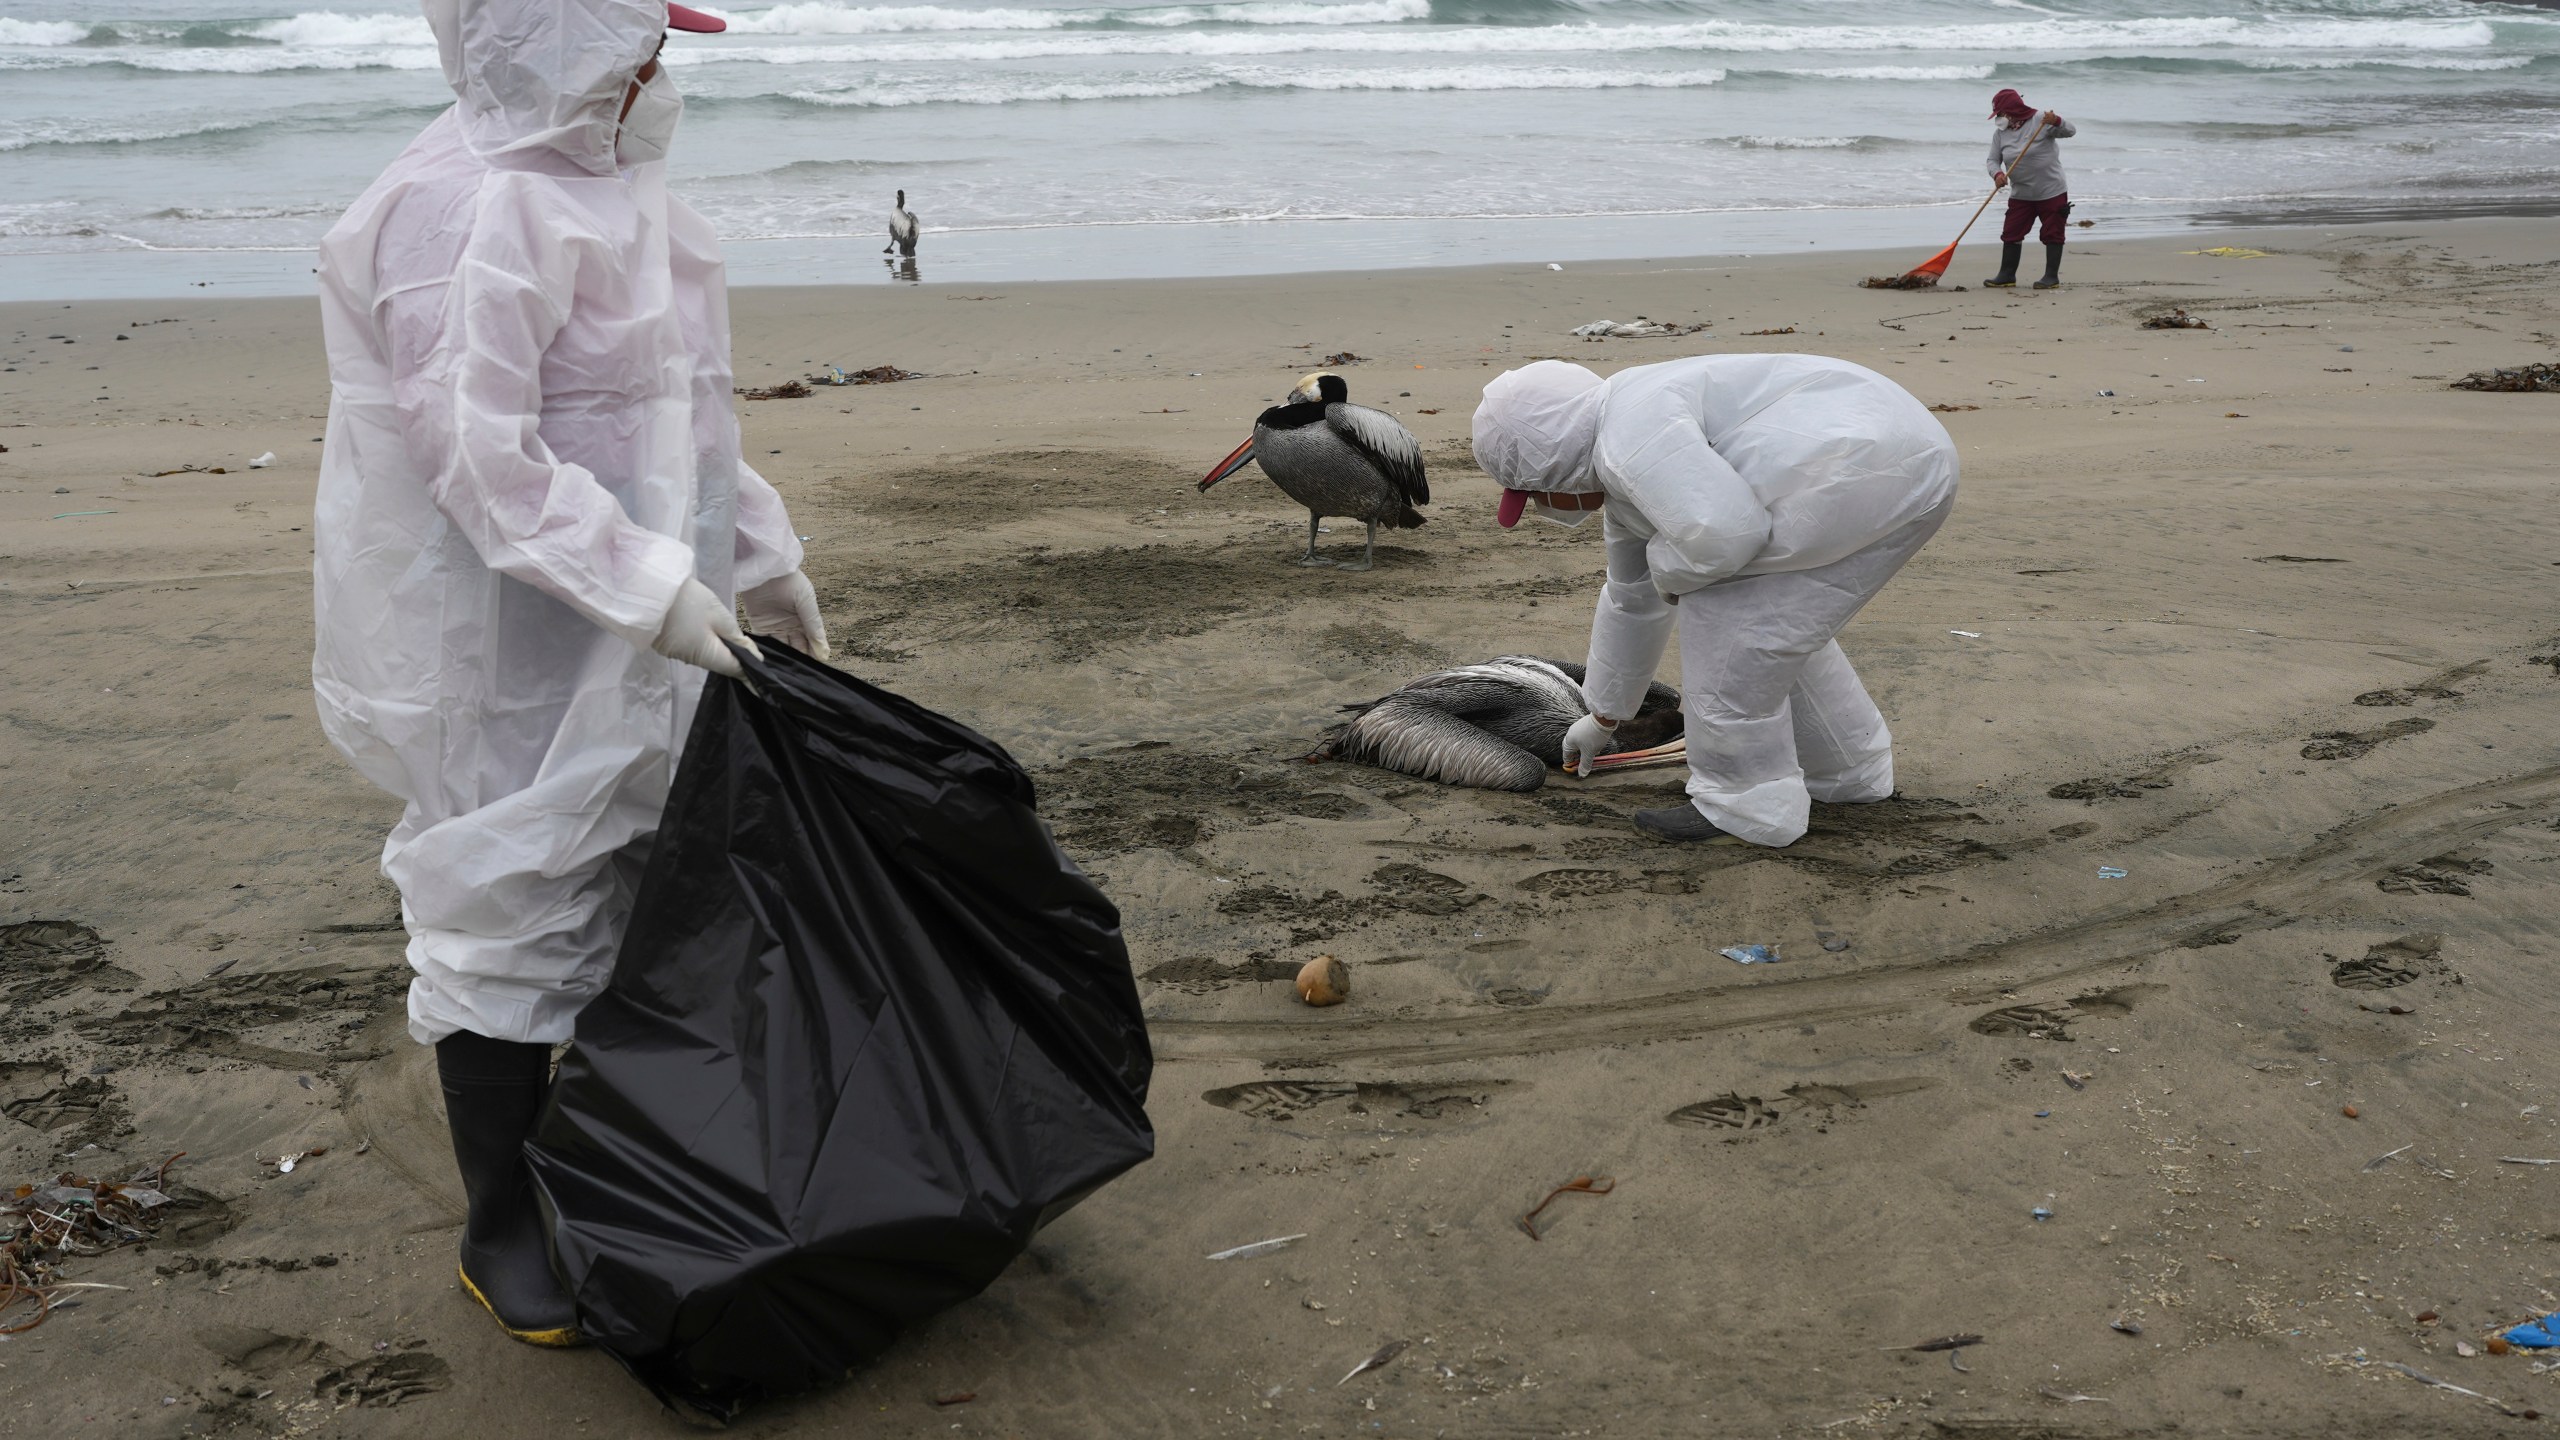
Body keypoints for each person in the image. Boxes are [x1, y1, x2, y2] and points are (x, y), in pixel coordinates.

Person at [310, 0, 827, 1347]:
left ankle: (606, 1166)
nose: (659, 62)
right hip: (502, 632)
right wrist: (650, 586)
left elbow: (680, 410)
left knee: (637, 871)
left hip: (630, 609)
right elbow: (479, 458)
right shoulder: (463, 215)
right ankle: (497, 1223)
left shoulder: (619, 187)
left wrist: (759, 553)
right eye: (636, 36)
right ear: (553, 37)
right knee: (508, 885)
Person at [1473, 356, 1957, 849]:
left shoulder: (1630, 438)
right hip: (1909, 461)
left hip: (1852, 468)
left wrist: (1670, 571)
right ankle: (1848, 773)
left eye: (1535, 492)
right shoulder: (1624, 430)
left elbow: (1723, 536)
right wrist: (1602, 715)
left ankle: (1746, 806)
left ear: (1554, 463)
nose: (1541, 505)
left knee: (1728, 616)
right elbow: (1630, 598)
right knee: (1781, 626)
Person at [1984, 87, 2074, 289]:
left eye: (2000, 113)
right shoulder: (2000, 134)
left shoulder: (2041, 120)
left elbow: (2071, 131)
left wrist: (2057, 120)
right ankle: (2007, 275)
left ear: (2012, 110)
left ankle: (2051, 277)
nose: (1998, 118)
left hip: (2051, 190)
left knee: (2053, 233)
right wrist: (1997, 174)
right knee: (2011, 232)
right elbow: (1992, 160)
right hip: (2021, 193)